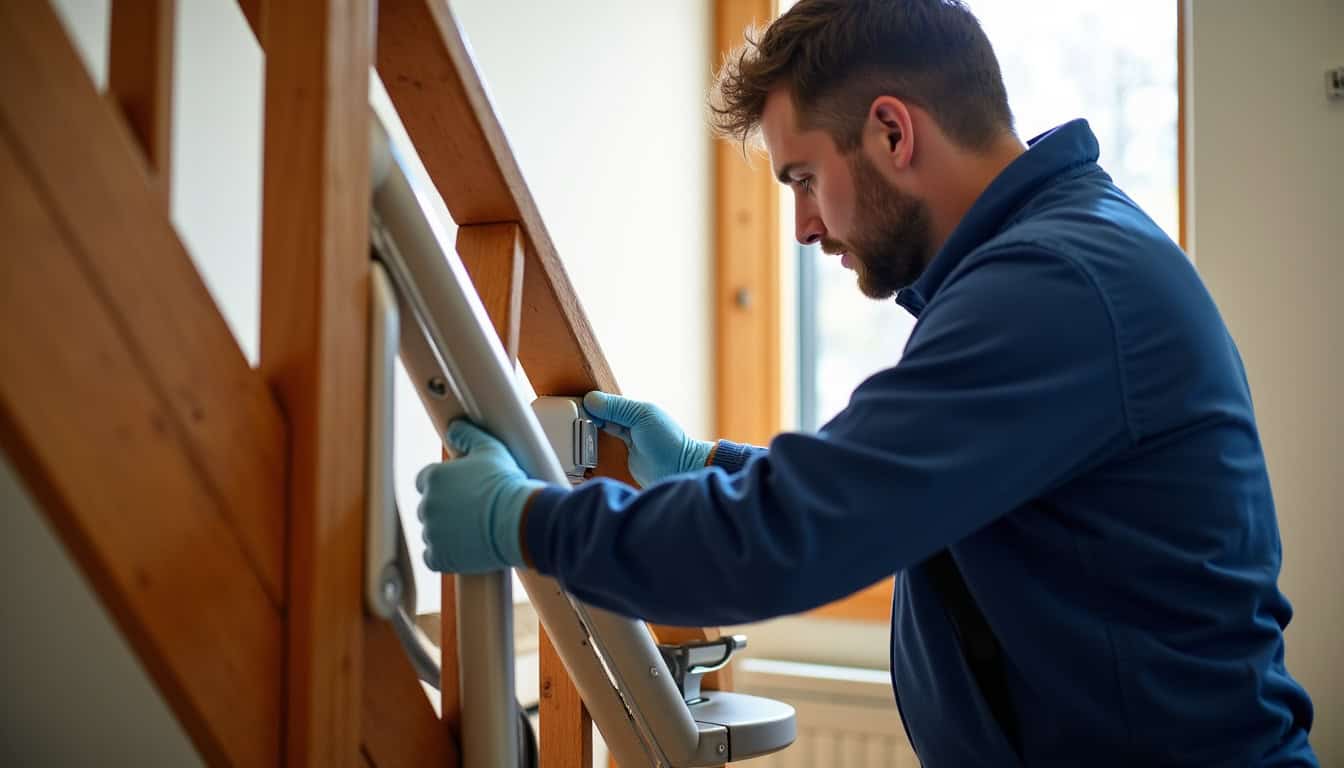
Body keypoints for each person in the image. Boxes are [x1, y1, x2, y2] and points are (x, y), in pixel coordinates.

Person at [414, 0, 1317, 764]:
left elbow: (787, 539)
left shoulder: (1052, 290)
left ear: (891, 130)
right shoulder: (1047, 265)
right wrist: (708, 469)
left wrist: (524, 521)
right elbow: (893, 493)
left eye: (804, 178)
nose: (803, 227)